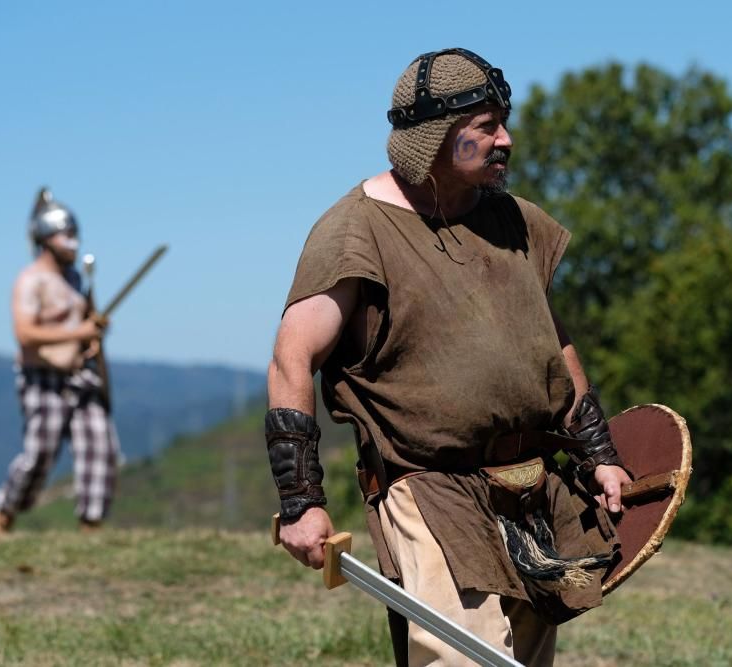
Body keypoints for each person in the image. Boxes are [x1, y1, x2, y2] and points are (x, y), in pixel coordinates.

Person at [266, 48, 631, 666]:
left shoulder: (518, 221)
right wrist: (301, 501)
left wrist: (598, 453)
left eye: (502, 123)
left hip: (532, 487)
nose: (505, 140)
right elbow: (290, 360)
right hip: (428, 488)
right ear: (436, 136)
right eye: (485, 127)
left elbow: (554, 340)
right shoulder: (356, 231)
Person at [0, 189, 120, 535]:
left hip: (79, 376)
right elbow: (26, 333)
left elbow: (83, 330)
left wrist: (91, 339)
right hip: (41, 378)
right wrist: (80, 332)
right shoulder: (31, 280)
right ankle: (4, 514)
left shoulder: (75, 279)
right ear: (46, 238)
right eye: (67, 235)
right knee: (38, 456)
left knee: (100, 450)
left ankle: (90, 527)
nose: (73, 243)